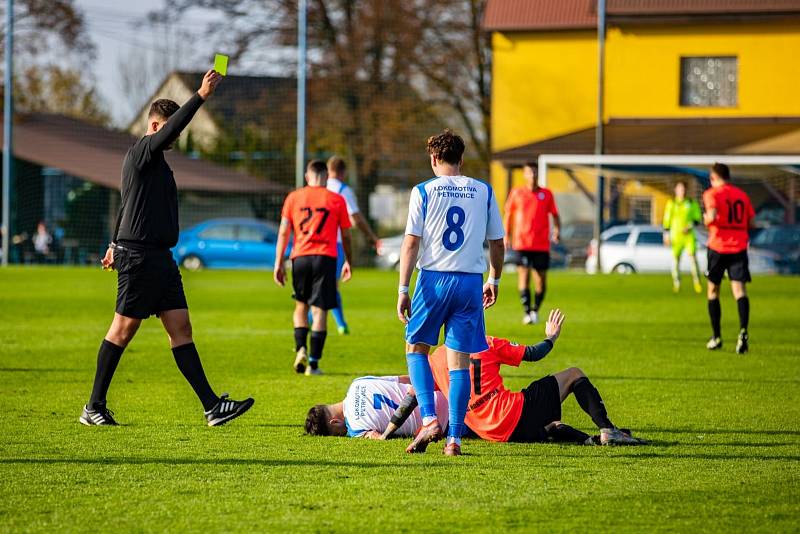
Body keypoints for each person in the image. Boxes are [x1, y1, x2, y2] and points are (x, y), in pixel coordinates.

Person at [80, 70, 254, 427]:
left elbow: (129, 204)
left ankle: (211, 406)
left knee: (181, 328)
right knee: (122, 330)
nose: (175, 136)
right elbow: (170, 132)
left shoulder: (154, 164)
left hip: (160, 258)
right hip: (141, 258)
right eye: (171, 128)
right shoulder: (143, 151)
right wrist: (201, 95)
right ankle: (93, 406)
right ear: (158, 126)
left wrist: (113, 243)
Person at [397, 129, 505, 456]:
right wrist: (494, 280)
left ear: (433, 159)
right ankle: (454, 439)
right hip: (470, 282)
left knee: (416, 348)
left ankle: (430, 418)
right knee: (459, 363)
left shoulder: (423, 191)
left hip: (432, 280)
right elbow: (498, 243)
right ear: (462, 159)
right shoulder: (483, 191)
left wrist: (403, 288)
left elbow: (412, 242)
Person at [425, 309, 642, 445]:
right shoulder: (486, 343)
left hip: (490, 433)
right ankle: (608, 430)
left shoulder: (436, 359)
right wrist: (551, 337)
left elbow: (414, 393)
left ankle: (587, 440)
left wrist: (391, 429)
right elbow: (534, 354)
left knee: (550, 425)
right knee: (574, 374)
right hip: (510, 414)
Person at [274, 160, 353, 375]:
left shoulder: (294, 197)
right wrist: (348, 261)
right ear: (326, 177)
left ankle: (300, 348)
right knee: (320, 312)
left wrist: (278, 262)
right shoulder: (336, 200)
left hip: (299, 257)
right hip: (325, 258)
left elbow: (283, 232)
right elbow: (346, 235)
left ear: (308, 176)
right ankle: (314, 365)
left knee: (301, 307)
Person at [323, 156, 380, 335]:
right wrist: (371, 236)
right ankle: (339, 324)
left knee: (322, 287)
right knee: (331, 287)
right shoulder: (342, 189)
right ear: (343, 172)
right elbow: (355, 217)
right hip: (336, 243)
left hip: (313, 244)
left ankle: (309, 322)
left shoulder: (318, 188)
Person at [702, 162, 755, 354]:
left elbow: (712, 216)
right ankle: (743, 333)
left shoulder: (711, 194)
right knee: (739, 290)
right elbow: (751, 220)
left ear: (715, 177)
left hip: (718, 246)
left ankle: (716, 337)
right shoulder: (742, 195)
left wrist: (706, 219)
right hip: (739, 247)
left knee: (713, 291)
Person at [503, 162, 561, 325]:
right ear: (525, 174)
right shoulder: (517, 192)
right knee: (523, 274)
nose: (533, 175)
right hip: (521, 243)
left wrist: (557, 230)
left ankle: (535, 309)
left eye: (535, 172)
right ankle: (527, 311)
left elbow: (555, 215)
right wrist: (506, 235)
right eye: (530, 172)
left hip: (541, 244)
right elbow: (508, 215)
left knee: (541, 280)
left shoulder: (546, 194)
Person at [303, 375, 448, 439]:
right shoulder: (358, 383)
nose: (343, 434)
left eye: (338, 433)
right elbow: (403, 379)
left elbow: (377, 438)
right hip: (442, 393)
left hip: (441, 425)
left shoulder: (355, 429)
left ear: (334, 422)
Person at [662, 180, 702, 293]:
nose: (682, 191)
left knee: (693, 258)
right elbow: (666, 220)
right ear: (676, 190)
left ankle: (697, 282)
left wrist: (689, 226)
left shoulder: (691, 203)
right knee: (675, 260)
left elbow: (697, 219)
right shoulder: (672, 203)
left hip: (688, 236)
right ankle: (677, 283)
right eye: (679, 189)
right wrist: (666, 235)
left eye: (683, 189)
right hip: (676, 236)